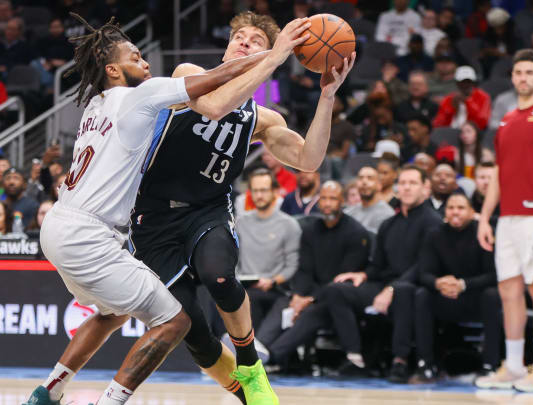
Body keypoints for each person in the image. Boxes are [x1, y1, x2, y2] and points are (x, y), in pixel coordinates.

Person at [25, 13, 310, 405]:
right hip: (98, 231)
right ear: (113, 68)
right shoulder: (146, 94)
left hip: (61, 223)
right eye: (136, 56)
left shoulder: (95, 103)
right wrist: (274, 57)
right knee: (176, 321)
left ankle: (48, 392)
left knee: (112, 313)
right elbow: (210, 95)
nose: (145, 62)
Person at [129, 11, 354, 405]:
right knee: (191, 329)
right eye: (239, 37)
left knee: (219, 276)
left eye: (257, 40)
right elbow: (215, 106)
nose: (245, 42)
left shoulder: (262, 117)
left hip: (207, 210)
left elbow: (310, 159)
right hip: (153, 217)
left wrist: (327, 96)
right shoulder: (188, 72)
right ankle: (247, 396)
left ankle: (250, 364)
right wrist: (275, 55)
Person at [323, 165, 442, 382]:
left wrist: (391, 289)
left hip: (416, 285)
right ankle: (355, 357)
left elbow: (423, 267)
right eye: (403, 183)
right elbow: (378, 265)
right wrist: (363, 276)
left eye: (412, 183)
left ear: (425, 188)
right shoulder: (389, 223)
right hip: (383, 284)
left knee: (404, 291)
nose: (406, 188)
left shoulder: (432, 222)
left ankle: (400, 360)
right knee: (336, 290)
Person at [257, 182, 371, 372]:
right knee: (283, 303)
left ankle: (272, 358)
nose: (327, 203)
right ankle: (256, 349)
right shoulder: (310, 230)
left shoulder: (356, 233)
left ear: (342, 201)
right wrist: (298, 296)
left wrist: (310, 299)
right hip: (309, 292)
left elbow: (342, 279)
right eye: (324, 198)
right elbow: (304, 269)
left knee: (313, 313)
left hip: (336, 300)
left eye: (333, 199)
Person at [475, 49, 533, 391]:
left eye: (529, 72)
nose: (523, 78)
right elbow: (498, 172)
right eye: (519, 73)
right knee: (509, 290)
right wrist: (485, 218)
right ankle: (513, 367)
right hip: (508, 218)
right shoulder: (507, 120)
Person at [408, 193, 500, 382]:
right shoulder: (434, 235)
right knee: (422, 294)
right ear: (445, 212)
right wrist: (438, 283)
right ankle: (425, 363)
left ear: (471, 212)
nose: (455, 212)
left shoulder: (482, 232)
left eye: (460, 208)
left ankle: (490, 364)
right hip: (445, 295)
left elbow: (493, 275)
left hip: (475, 295)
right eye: (451, 208)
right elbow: (424, 272)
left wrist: (463, 285)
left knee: (492, 295)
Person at [235, 168, 301, 329]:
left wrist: (272, 281)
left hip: (275, 289)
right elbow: (233, 259)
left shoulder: (289, 225)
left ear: (275, 192)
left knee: (250, 300)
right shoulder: (240, 222)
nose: (259, 196)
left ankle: (251, 349)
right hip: (243, 286)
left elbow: (292, 265)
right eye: (255, 191)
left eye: (264, 190)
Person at [432, 65, 491, 130]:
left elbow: (482, 122)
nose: (465, 85)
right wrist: (452, 108)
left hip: (474, 134)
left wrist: (468, 102)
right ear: (457, 83)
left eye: (468, 82)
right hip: (451, 133)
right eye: (462, 82)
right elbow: (438, 125)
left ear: (473, 83)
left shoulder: (483, 97)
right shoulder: (449, 99)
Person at [345, 166, 395, 233]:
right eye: (360, 178)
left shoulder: (388, 215)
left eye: (370, 178)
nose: (364, 182)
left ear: (379, 185)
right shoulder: (348, 213)